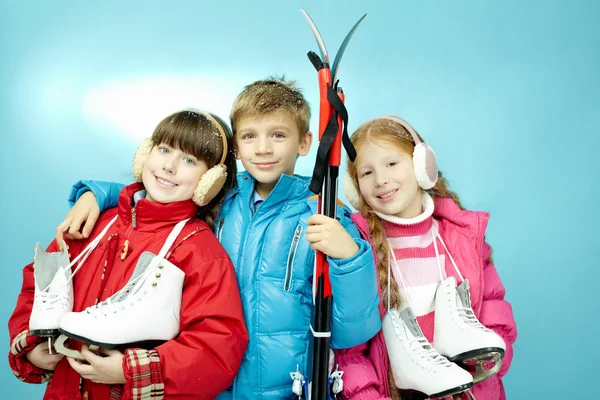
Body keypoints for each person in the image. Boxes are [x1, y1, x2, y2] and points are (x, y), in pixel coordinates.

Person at [54, 78, 382, 399]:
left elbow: (354, 331)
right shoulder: (218, 195)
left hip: (283, 389)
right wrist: (97, 195)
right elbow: (159, 196)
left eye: (278, 135)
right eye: (250, 136)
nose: (264, 148)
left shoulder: (326, 214)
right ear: (236, 147)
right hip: (208, 385)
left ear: (305, 142)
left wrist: (350, 259)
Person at [9, 110, 248, 399]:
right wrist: (33, 347)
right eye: (164, 149)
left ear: (210, 180)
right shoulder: (92, 223)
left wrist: (127, 370)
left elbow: (215, 347)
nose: (169, 166)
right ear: (145, 153)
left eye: (189, 160)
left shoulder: (200, 252)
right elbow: (38, 288)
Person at [333, 116, 517, 400]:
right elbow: (350, 352)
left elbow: (495, 313)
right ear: (354, 185)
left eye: (392, 164)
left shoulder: (461, 238)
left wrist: (483, 367)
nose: (381, 180)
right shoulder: (358, 249)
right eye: (366, 173)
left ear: (422, 166)